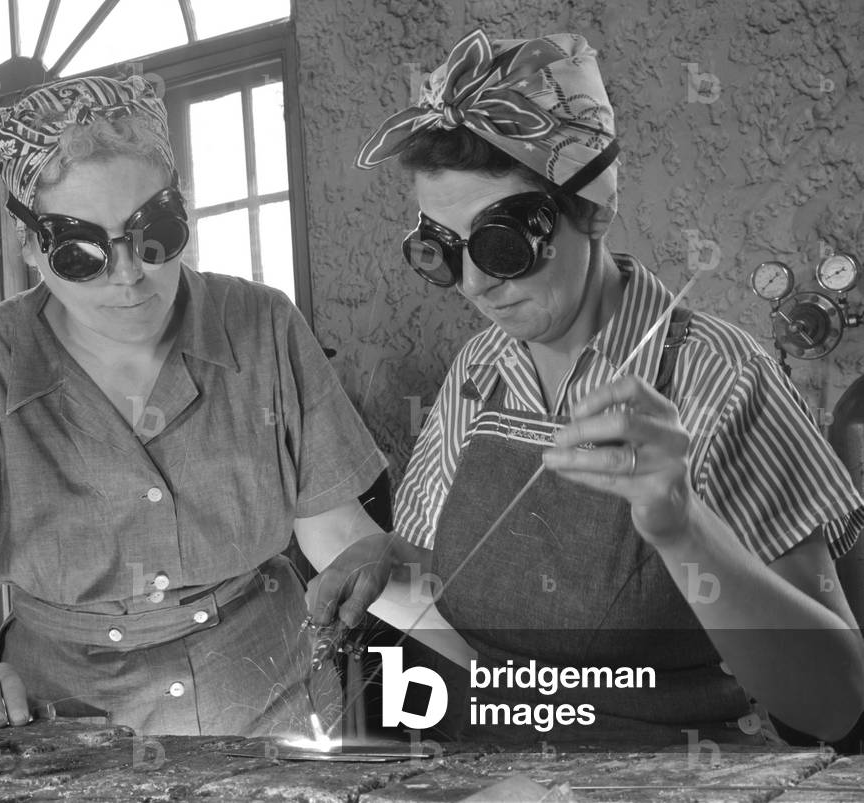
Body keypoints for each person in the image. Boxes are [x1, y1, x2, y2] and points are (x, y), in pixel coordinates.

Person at [307, 30, 864, 744]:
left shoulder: (720, 374)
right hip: (502, 765)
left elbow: (837, 703)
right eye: (441, 251)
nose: (473, 285)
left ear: (594, 208)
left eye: (500, 244)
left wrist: (683, 527)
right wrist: (389, 554)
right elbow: (448, 563)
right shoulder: (481, 367)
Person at [0, 74, 389, 736]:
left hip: (267, 705)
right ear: (30, 245)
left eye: (155, 232)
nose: (130, 273)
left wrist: (480, 660)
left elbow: (338, 538)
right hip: (67, 732)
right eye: (82, 253)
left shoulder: (262, 324)